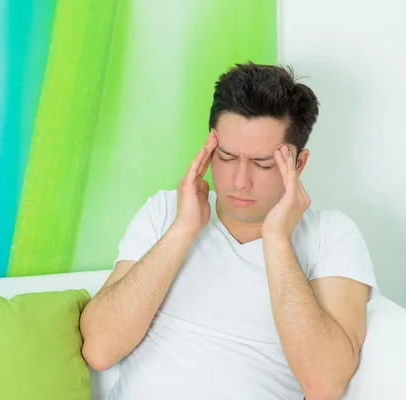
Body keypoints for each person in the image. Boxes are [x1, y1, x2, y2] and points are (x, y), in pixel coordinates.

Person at [79, 62, 378, 400]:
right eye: (226, 156)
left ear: (298, 164)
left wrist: (277, 240)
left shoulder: (332, 236)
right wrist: (183, 230)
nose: (240, 181)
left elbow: (325, 384)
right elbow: (99, 350)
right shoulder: (165, 212)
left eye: (264, 164)